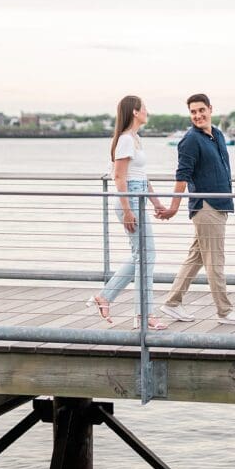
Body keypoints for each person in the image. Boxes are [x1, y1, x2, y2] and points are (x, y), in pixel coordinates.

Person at [155, 93, 235, 325]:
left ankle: (172, 303)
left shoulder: (216, 134)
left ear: (210, 109)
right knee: (215, 260)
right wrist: (174, 207)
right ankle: (224, 312)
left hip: (221, 204)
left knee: (197, 257)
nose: (197, 115)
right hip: (205, 206)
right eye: (193, 112)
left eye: (201, 110)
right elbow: (182, 176)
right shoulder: (190, 140)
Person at [86, 95, 167, 329]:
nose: (147, 111)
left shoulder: (135, 138)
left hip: (138, 197)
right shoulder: (125, 140)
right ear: (135, 112)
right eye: (144, 108)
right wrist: (127, 209)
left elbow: (141, 177)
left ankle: (105, 297)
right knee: (147, 256)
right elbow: (119, 177)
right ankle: (144, 315)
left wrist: (156, 203)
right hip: (130, 201)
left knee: (141, 256)